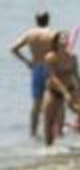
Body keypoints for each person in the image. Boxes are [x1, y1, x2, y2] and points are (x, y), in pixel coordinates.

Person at [42, 31, 80, 148]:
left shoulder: (72, 57)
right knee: (49, 121)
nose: (65, 41)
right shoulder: (50, 57)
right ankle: (48, 147)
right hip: (54, 91)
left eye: (66, 38)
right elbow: (52, 77)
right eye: (62, 38)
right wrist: (64, 93)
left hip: (71, 89)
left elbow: (78, 76)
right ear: (56, 42)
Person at [10, 10, 56, 139]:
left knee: (36, 103)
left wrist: (27, 62)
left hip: (36, 69)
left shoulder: (30, 34)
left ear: (36, 21)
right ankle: (54, 131)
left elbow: (13, 49)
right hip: (50, 69)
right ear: (48, 20)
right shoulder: (52, 34)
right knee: (53, 101)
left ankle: (33, 133)